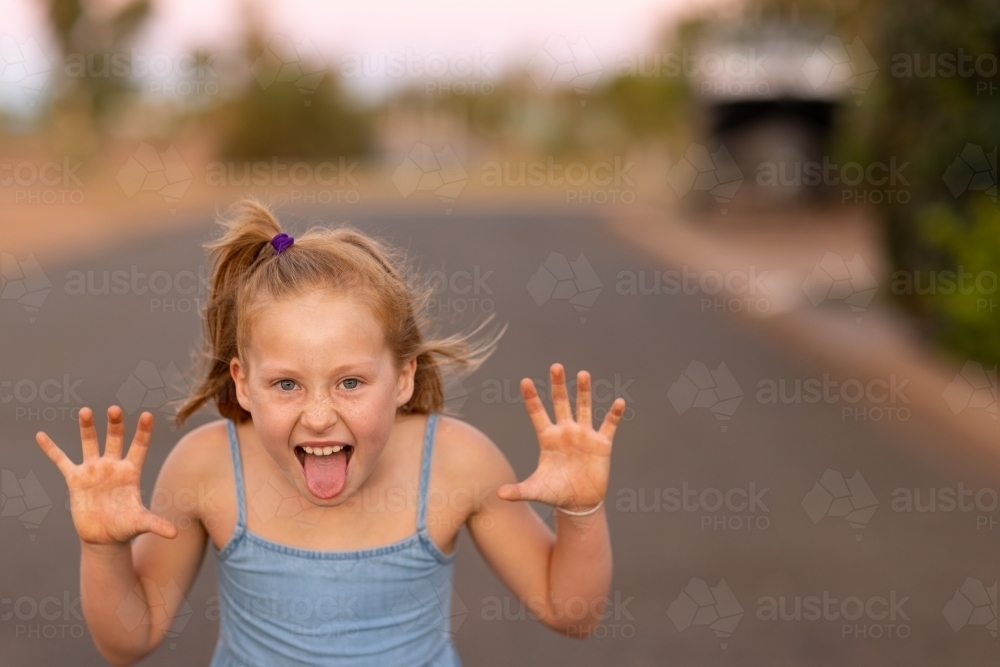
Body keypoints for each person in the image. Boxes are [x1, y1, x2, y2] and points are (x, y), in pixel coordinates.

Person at [35, 199, 626, 667]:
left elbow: (570, 611)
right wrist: (102, 549)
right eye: (287, 385)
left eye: (349, 383)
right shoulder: (208, 468)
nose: (318, 416)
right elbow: (127, 642)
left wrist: (581, 509)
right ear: (243, 383)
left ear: (402, 376)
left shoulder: (453, 462)